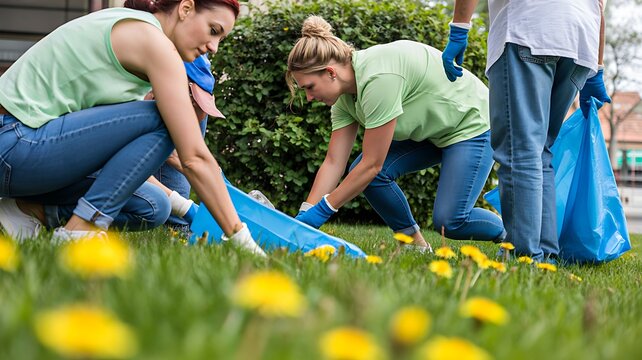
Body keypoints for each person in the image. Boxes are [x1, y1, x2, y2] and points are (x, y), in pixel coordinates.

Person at [0, 0, 265, 256]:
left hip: (26, 152)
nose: (214, 47)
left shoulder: (137, 33)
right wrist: (242, 239)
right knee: (167, 117)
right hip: (11, 142)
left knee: (154, 206)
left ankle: (24, 211)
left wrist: (183, 206)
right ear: (186, 8)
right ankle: (81, 228)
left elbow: (125, 171)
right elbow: (193, 156)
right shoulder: (155, 44)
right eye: (213, 30)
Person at [286, 16, 506, 249]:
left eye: (309, 87)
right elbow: (333, 162)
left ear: (330, 72)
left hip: (472, 125)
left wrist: (322, 210)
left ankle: (511, 232)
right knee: (368, 177)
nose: (309, 97)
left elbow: (372, 164)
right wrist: (305, 215)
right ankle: (416, 246)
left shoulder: (378, 78)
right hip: (434, 132)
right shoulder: (344, 100)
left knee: (450, 221)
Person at [441, 0, 610, 261]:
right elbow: (600, 4)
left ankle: (524, 256)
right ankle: (546, 256)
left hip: (530, 27)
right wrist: (597, 68)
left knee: (521, 150)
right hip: (580, 41)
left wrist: (460, 28)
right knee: (540, 152)